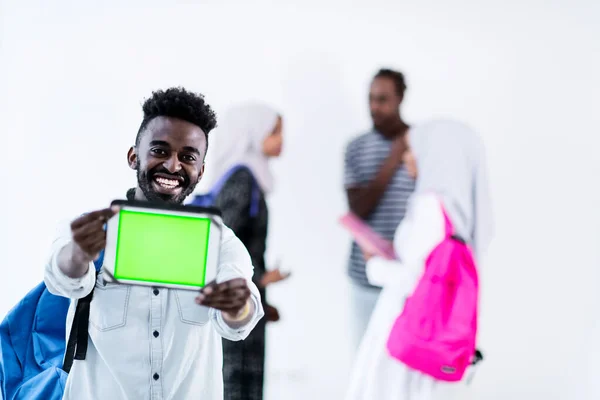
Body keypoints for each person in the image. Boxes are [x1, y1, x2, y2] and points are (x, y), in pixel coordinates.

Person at [43, 87, 265, 400]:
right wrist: (78, 254)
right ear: (134, 156)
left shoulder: (221, 243)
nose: (173, 166)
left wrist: (237, 306)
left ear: (200, 171)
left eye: (187, 157)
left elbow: (239, 320)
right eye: (159, 151)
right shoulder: (87, 229)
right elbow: (61, 278)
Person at [345, 119, 494, 400]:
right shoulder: (461, 212)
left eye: (413, 149)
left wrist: (372, 264)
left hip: (407, 333)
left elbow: (412, 279)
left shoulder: (429, 206)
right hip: (429, 337)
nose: (406, 158)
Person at [198, 102, 289, 400]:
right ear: (253, 133)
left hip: (243, 301)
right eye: (274, 131)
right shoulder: (244, 179)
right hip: (236, 304)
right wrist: (262, 279)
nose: (281, 140)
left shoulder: (245, 178)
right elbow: (225, 248)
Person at [343, 68, 416, 350]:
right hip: (365, 279)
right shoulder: (357, 148)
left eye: (383, 99)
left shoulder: (420, 144)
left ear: (400, 99)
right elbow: (357, 210)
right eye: (371, 99)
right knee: (365, 364)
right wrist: (393, 159)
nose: (375, 107)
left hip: (409, 279)